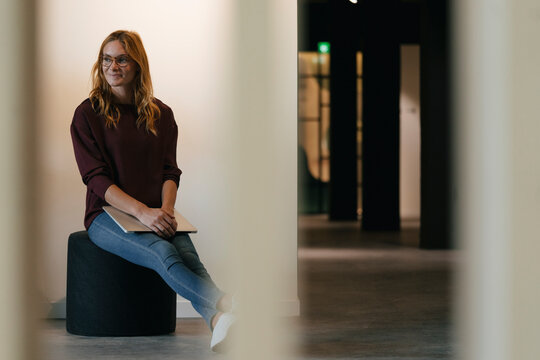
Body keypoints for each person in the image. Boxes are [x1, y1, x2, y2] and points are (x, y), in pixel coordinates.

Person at [70, 30, 234, 352]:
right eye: (106, 59)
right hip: (106, 216)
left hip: (155, 211)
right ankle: (228, 303)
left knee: (190, 258)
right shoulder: (87, 114)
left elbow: (170, 171)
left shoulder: (162, 114)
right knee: (164, 253)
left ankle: (219, 323)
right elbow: (96, 179)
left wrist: (166, 211)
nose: (112, 66)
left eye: (121, 59)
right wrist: (143, 213)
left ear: (137, 65)